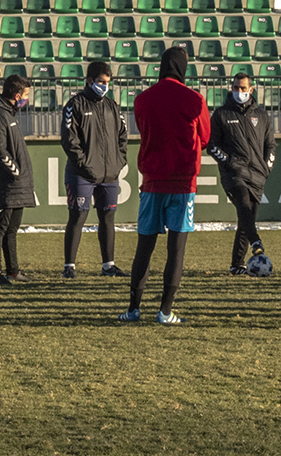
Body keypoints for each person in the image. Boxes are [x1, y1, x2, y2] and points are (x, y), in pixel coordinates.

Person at [118, 47, 211, 325]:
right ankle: (165, 311)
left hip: (152, 181)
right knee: (176, 249)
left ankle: (134, 309)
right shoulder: (195, 99)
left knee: (144, 246)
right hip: (183, 184)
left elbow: (145, 131)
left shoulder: (143, 99)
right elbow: (205, 137)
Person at [59, 61, 129, 279]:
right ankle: (69, 266)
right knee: (78, 216)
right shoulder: (74, 105)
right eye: (101, 82)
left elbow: (123, 137)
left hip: (109, 175)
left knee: (108, 218)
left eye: (107, 82)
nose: (104, 86)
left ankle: (108, 265)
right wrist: (84, 164)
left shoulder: (113, 106)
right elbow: (69, 140)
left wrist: (119, 162)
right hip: (82, 175)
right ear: (89, 81)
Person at [207, 72, 276, 274]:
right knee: (243, 205)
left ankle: (237, 264)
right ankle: (256, 242)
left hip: (257, 174)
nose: (239, 92)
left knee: (247, 219)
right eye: (236, 88)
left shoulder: (261, 115)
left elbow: (270, 145)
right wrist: (228, 162)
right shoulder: (221, 115)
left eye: (243, 88)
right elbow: (211, 146)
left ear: (251, 90)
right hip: (233, 174)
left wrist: (266, 168)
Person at [0, 74, 35, 285]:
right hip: (6, 183)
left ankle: (13, 271)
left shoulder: (8, 114)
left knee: (12, 230)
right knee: (0, 228)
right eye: (26, 95)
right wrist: (16, 172)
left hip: (17, 185)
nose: (27, 99)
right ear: (17, 94)